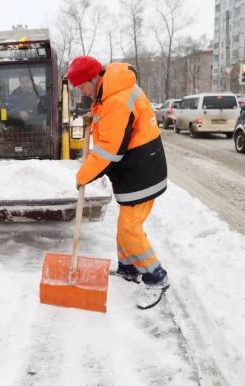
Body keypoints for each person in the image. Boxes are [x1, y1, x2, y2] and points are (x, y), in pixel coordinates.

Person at [67, 56, 169, 310]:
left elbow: (110, 149)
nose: (82, 92)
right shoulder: (109, 93)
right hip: (134, 170)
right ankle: (128, 268)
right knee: (125, 224)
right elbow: (110, 127)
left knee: (129, 229)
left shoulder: (116, 99)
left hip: (143, 170)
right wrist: (94, 115)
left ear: (94, 78)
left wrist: (84, 175)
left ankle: (155, 276)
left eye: (82, 87)